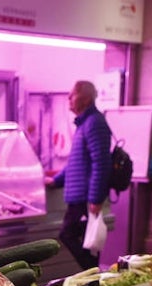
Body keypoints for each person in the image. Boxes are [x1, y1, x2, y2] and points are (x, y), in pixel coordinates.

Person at [49, 80, 111, 269]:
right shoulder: (84, 124)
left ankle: (94, 280)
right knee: (86, 244)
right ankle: (92, 283)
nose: (68, 98)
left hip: (85, 199)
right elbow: (75, 163)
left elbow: (101, 163)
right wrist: (55, 180)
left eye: (72, 94)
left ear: (85, 98)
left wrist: (95, 199)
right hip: (79, 197)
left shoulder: (94, 123)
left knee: (74, 238)